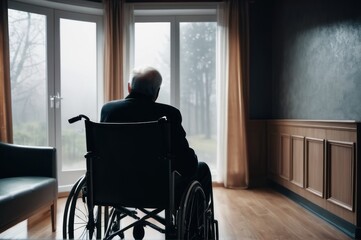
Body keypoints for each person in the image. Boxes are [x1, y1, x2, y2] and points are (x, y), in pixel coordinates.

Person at [100, 66, 212, 203]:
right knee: (202, 168)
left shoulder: (108, 111)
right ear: (157, 92)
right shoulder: (169, 114)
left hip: (114, 186)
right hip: (159, 189)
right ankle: (194, 223)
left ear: (129, 87)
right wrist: (192, 161)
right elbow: (186, 162)